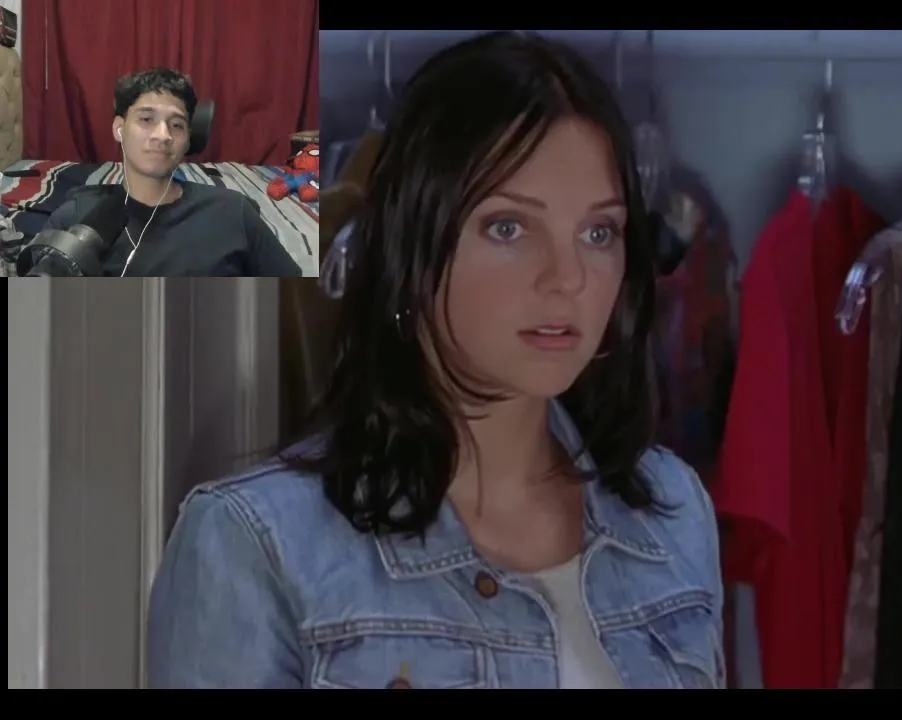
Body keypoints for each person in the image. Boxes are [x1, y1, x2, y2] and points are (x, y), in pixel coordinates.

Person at [145, 32, 726, 690]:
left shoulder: (672, 510)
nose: (568, 277)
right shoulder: (256, 545)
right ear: (414, 248)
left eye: (599, 232)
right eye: (509, 227)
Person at [43, 68, 302, 276]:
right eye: (146, 119)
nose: (163, 135)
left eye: (177, 125)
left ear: (188, 139)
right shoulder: (76, 216)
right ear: (119, 128)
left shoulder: (234, 212)